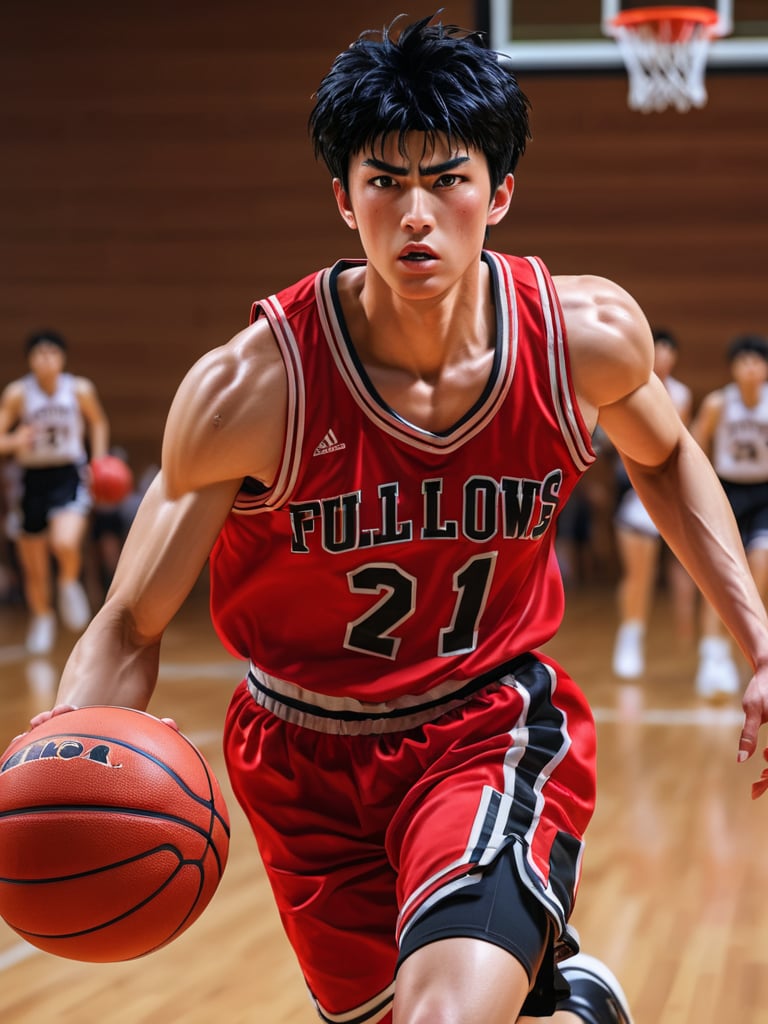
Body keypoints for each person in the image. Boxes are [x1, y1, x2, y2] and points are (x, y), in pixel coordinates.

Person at [19, 14, 768, 1024]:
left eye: (448, 178)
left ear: (499, 192)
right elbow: (131, 620)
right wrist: (73, 743)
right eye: (385, 181)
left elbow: (669, 453)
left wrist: (757, 641)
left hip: (485, 725)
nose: (417, 211)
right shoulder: (253, 390)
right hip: (299, 759)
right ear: (344, 198)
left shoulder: (581, 338)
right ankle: (574, 1005)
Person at [0, 330, 109, 654]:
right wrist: (15, 441)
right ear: (30, 359)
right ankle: (43, 617)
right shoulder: (19, 394)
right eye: (39, 353)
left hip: (68, 473)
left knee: (65, 541)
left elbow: (98, 422)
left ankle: (67, 582)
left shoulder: (78, 389)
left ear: (62, 358)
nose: (45, 359)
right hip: (31, 479)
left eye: (52, 353)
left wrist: (99, 460)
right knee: (33, 563)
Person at [611, 328, 696, 678]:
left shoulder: (682, 394)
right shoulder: (626, 386)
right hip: (633, 487)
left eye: (669, 349)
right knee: (639, 573)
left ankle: (694, 641)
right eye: (658, 347)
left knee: (687, 569)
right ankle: (630, 636)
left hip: (669, 486)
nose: (663, 354)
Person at [690, 333, 768, 700]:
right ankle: (713, 656)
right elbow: (694, 446)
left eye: (757, 361)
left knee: (759, 572)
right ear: (734, 368)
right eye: (744, 362)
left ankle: (752, 656)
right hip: (728, 492)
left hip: (764, 493)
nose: (751, 368)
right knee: (722, 577)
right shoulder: (719, 403)